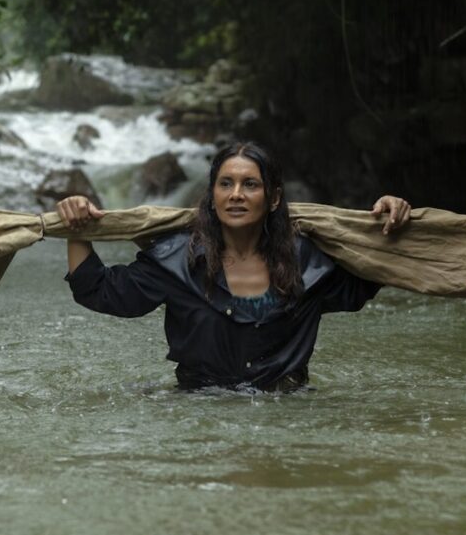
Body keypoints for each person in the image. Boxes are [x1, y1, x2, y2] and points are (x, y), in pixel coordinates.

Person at [57, 142, 411, 392]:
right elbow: (97, 290)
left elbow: (372, 271)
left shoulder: (309, 262)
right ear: (212, 196)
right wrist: (78, 228)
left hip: (290, 415)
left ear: (273, 198)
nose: (236, 194)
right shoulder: (176, 260)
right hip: (201, 417)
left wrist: (388, 219)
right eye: (225, 184)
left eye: (250, 184)